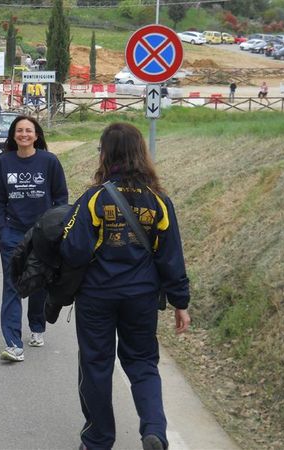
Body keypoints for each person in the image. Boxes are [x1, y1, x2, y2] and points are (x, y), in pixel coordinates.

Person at [59, 123, 191, 450]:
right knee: (143, 362)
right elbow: (171, 256)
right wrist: (180, 302)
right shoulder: (159, 202)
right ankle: (154, 431)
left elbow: (73, 250)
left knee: (96, 365)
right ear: (139, 153)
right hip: (142, 296)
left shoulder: (94, 199)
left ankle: (98, 440)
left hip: (97, 297)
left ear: (107, 154)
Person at [0, 115, 68, 362]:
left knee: (38, 282)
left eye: (29, 131)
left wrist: (55, 228)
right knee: (13, 284)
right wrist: (2, 227)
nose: (24, 134)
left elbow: (61, 198)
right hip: (13, 233)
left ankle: (37, 326)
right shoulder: (4, 162)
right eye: (20, 131)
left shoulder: (49, 161)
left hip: (43, 234)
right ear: (14, 135)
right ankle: (13, 343)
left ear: (36, 135)